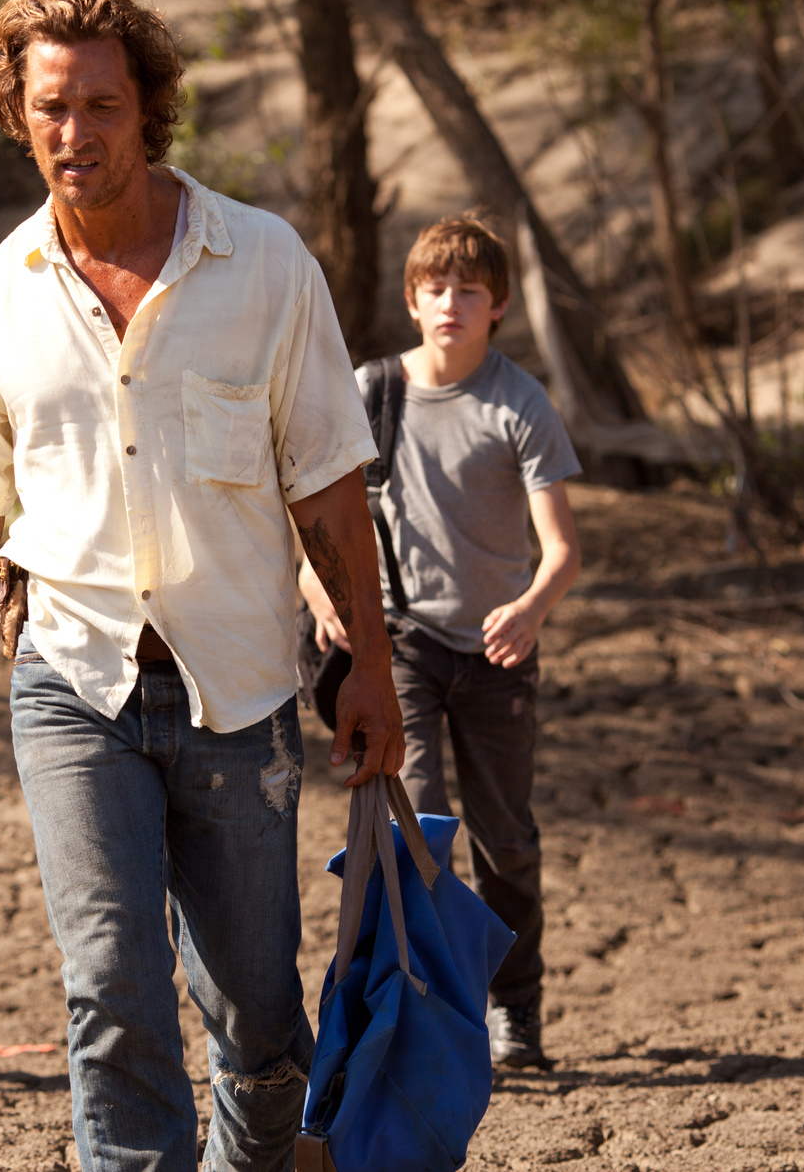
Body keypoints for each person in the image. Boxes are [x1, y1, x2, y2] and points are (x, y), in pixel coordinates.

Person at [0, 0, 405, 1172]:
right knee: (112, 986)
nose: (74, 131)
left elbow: (330, 492)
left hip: (238, 685)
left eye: (100, 105)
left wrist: (375, 672)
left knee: (256, 1020)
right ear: (17, 117)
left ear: (149, 107)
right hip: (72, 684)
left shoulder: (265, 264)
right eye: (49, 107)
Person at [298, 214, 582, 1071]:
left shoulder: (520, 403)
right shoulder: (369, 390)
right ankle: (429, 1008)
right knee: (414, 828)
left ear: (497, 305)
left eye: (469, 291)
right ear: (412, 300)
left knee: (506, 841)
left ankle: (516, 1008)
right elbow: (302, 513)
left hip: (497, 657)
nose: (449, 304)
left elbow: (562, 549)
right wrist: (319, 592)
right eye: (434, 288)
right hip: (403, 648)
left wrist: (531, 607)